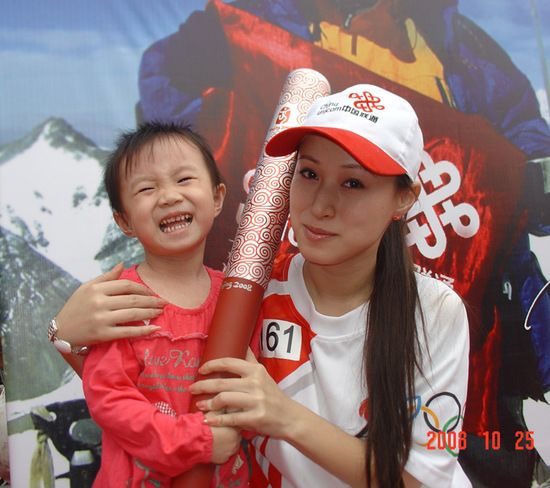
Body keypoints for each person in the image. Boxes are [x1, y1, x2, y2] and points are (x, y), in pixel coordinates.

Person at [54, 85, 471, 487]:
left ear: (404, 198)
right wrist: (64, 336)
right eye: (309, 173)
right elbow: (150, 383)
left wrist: (284, 416)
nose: (321, 205)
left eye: (353, 183)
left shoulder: (436, 310)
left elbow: (416, 478)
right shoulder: (248, 293)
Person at [52, 121, 250, 487]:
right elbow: (111, 403)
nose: (169, 196)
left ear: (218, 197)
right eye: (147, 188)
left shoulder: (236, 296)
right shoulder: (120, 302)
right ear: (124, 220)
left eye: (184, 179)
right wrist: (198, 440)